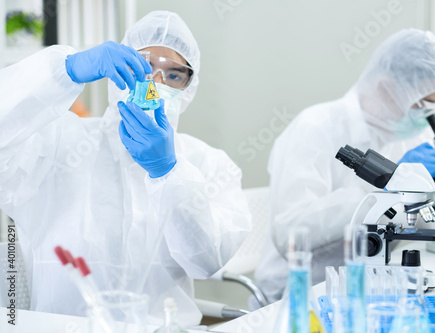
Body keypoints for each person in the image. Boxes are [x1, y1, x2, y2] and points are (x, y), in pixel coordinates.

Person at [0, 11, 251, 326]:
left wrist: (168, 173)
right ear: (116, 70)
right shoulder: (58, 143)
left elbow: (205, 262)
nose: (155, 85)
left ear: (189, 88)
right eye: (143, 68)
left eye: (173, 75)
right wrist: (65, 71)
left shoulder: (209, 164)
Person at [253, 29, 435, 305]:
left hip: (369, 284)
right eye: (423, 107)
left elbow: (414, 221)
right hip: (300, 294)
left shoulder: (412, 135)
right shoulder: (316, 127)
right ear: (386, 88)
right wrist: (383, 188)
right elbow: (290, 232)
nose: (427, 119)